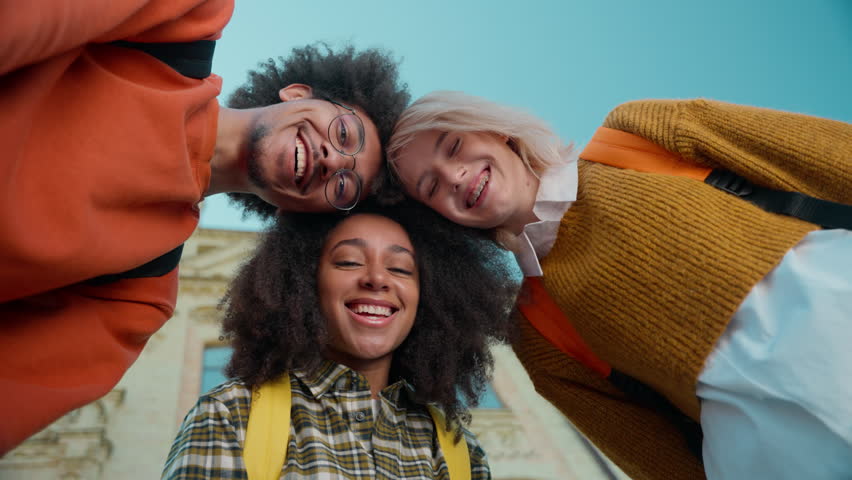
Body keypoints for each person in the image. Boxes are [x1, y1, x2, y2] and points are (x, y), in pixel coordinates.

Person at [0, 0, 409, 454]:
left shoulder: (132, 299)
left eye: (345, 185)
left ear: (303, 215)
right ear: (297, 93)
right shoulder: (177, 18)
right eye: (346, 134)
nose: (333, 160)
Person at [386, 92, 852, 480]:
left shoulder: (636, 136)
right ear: (441, 219)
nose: (454, 175)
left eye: (452, 146)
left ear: (495, 131)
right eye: (430, 186)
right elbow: (656, 460)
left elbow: (830, 154)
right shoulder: (538, 337)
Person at [161, 201, 518, 479]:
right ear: (302, 285)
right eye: (348, 262)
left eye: (400, 268)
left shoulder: (457, 449)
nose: (377, 278)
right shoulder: (230, 416)